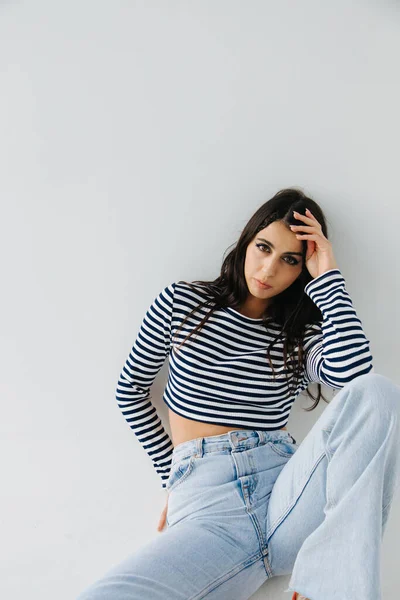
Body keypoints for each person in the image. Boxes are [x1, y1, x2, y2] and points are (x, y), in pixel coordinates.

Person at [77, 188, 400, 600]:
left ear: (302, 269)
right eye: (263, 247)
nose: (268, 269)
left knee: (379, 394)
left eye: (290, 260)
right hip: (210, 510)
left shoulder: (298, 338)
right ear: (246, 242)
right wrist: (173, 479)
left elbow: (356, 378)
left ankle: (326, 585)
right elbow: (130, 391)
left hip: (287, 494)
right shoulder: (183, 302)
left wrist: (329, 276)